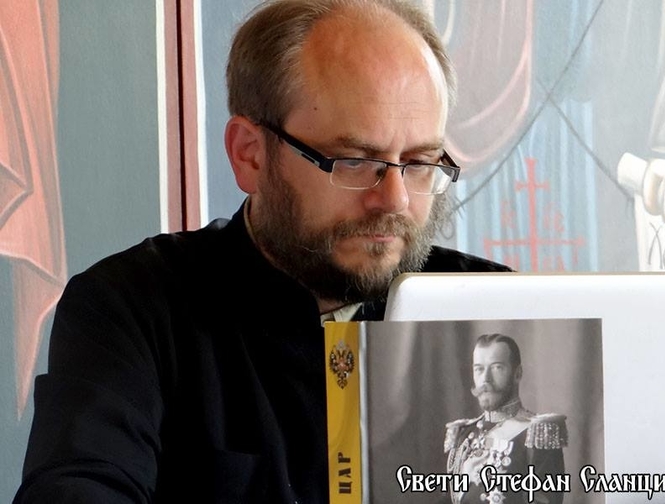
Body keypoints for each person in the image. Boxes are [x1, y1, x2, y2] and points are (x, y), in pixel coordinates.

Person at [13, 0, 512, 502]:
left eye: (420, 163)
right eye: (354, 161)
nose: (396, 200)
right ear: (250, 154)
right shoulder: (133, 308)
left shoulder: (493, 310)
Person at [444, 333, 567, 504]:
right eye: (479, 369)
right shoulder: (463, 435)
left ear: (517, 374)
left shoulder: (537, 435)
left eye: (496, 368)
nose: (485, 379)